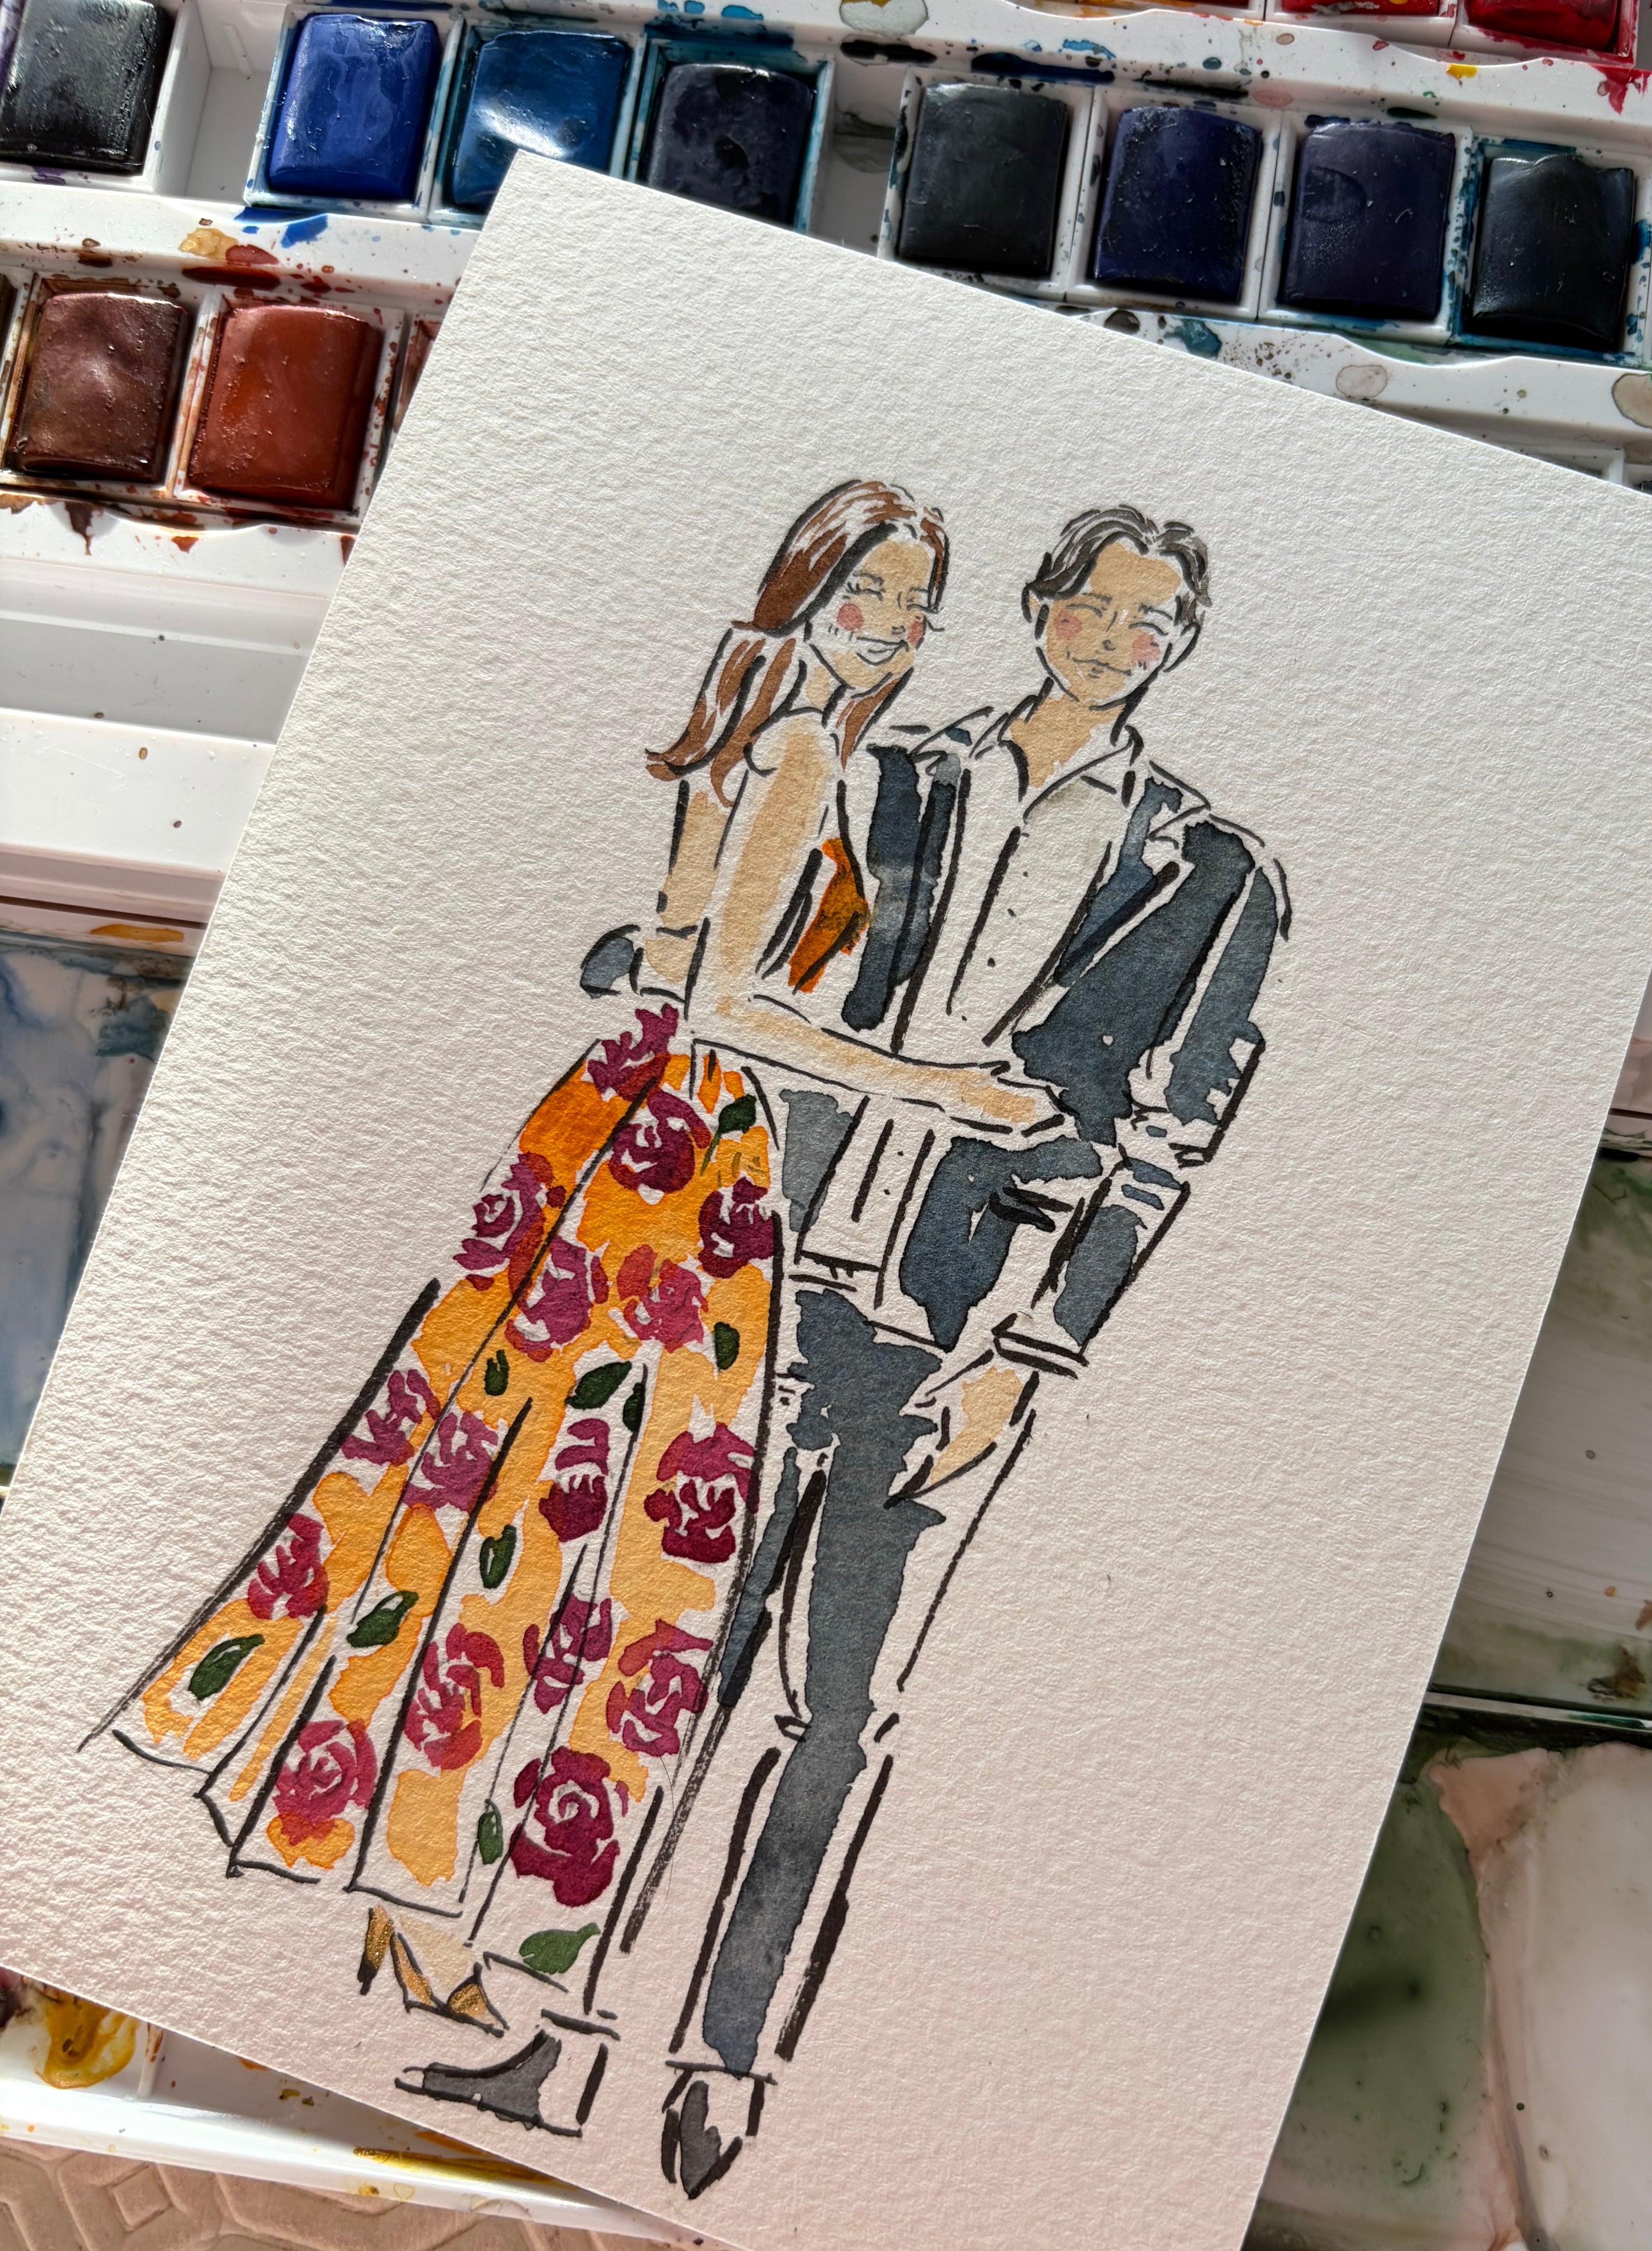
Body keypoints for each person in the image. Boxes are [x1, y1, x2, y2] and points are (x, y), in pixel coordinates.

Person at [100, 481, 1046, 2140]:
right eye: (868, 594)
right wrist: (942, 1090)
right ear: (807, 591)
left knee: (492, 1487)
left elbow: (671, 950)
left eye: (915, 605)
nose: (893, 630)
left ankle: (408, 1889)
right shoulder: (801, 747)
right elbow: (733, 1001)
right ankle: (418, 1898)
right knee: (585, 1533)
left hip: (622, 1121)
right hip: (689, 1157)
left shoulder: (745, 721)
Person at [652, 505, 1291, 2197]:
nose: (1119, 642)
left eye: (1155, 625)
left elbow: (1167, 1144)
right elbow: (755, 970)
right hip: (769, 1274)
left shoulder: (1215, 873)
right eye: (1098, 608)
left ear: (1180, 648)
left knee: (839, 1705)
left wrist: (1031, 1350)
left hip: (955, 1330)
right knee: (672, 1656)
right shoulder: (896, 772)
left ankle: (726, 2062)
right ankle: (561, 2014)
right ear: (1038, 606)